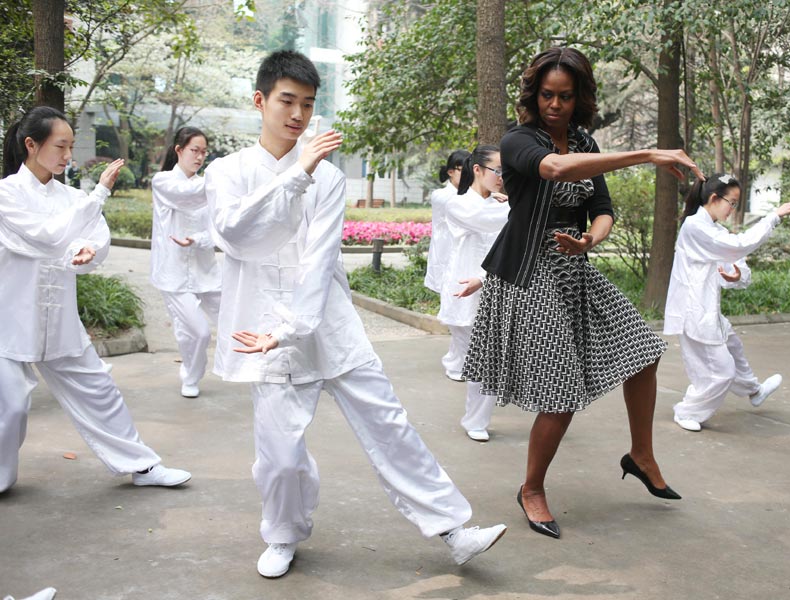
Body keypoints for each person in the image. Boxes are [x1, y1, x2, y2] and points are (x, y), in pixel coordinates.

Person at [205, 50, 506, 579]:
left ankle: (454, 530)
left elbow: (320, 259)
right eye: (286, 101)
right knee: (279, 454)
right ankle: (282, 535)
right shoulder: (228, 172)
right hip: (260, 329)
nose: (298, 114)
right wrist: (296, 174)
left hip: (328, 324)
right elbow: (237, 237)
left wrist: (290, 329)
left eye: (308, 104)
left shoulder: (329, 177)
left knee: (390, 427)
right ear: (260, 101)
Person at [463, 47, 705, 539]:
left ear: (579, 98)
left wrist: (591, 239)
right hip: (528, 274)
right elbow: (554, 170)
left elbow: (602, 205)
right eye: (547, 95)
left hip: (574, 265)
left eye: (565, 96)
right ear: (535, 95)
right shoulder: (517, 141)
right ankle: (531, 488)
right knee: (562, 391)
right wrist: (649, 153)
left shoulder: (585, 140)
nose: (555, 104)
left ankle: (640, 455)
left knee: (644, 352)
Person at [0, 106, 191, 493]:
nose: (68, 155)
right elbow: (47, 236)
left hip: (59, 321)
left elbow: (93, 233)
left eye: (71, 146)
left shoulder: (70, 195)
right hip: (10, 319)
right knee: (12, 406)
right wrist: (100, 192)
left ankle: (142, 465)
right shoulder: (6, 194)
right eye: (61, 146)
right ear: (31, 145)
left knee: (100, 390)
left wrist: (88, 248)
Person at [664, 174, 790, 431]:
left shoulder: (714, 229)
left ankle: (754, 390)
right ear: (715, 198)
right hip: (694, 311)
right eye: (732, 202)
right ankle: (687, 411)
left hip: (708, 308)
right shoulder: (695, 227)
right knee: (721, 372)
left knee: (733, 346)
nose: (733, 209)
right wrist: (774, 216)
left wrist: (737, 274)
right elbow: (739, 245)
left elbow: (735, 262)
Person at [438, 145, 508, 442]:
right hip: (465, 292)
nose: (502, 177)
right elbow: (492, 222)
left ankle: (477, 418)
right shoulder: (457, 204)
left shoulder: (501, 204)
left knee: (492, 357)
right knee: (481, 358)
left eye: (506, 172)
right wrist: (516, 206)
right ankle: (475, 419)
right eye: (498, 170)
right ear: (477, 170)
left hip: (496, 286)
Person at [150, 126, 221, 398]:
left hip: (205, 271)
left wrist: (199, 239)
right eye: (195, 150)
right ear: (179, 150)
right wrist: (222, 176)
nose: (200, 157)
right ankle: (191, 377)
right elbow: (188, 198)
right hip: (174, 274)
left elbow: (216, 227)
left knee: (230, 316)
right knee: (199, 332)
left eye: (204, 152)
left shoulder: (206, 185)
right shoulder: (163, 181)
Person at [425, 150, 470, 380]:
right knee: (456, 314)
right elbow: (468, 207)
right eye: (464, 169)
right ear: (451, 172)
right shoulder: (442, 195)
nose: (471, 173)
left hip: (461, 261)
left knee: (461, 311)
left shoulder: (467, 194)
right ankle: (458, 365)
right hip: (446, 262)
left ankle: (455, 360)